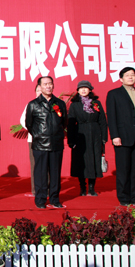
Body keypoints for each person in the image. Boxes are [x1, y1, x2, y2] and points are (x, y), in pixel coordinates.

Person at [106, 67, 135, 206]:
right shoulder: (114, 94)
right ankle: (124, 198)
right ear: (121, 79)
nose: (131, 77)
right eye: (127, 75)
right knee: (123, 168)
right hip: (122, 136)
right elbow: (112, 117)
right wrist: (115, 135)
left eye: (133, 75)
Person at [25, 76, 67, 209]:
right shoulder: (33, 104)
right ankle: (40, 199)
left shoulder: (60, 103)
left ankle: (55, 199)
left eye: (50, 83)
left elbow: (64, 122)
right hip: (40, 144)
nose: (48, 86)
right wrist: (38, 135)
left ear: (53, 85)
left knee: (55, 173)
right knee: (41, 173)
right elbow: (29, 124)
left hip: (56, 144)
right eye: (45, 84)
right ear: (40, 87)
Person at [68, 80, 107, 196]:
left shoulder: (96, 103)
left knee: (94, 159)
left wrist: (104, 137)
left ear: (90, 90)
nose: (83, 90)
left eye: (86, 88)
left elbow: (103, 121)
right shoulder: (74, 105)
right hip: (80, 135)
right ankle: (82, 187)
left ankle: (91, 187)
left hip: (95, 134)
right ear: (78, 91)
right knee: (81, 161)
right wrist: (71, 140)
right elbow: (71, 124)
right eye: (81, 88)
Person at [20, 84, 42, 196]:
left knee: (48, 165)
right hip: (34, 139)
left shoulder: (53, 104)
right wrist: (35, 130)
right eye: (37, 90)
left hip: (49, 140)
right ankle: (35, 189)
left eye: (41, 90)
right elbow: (23, 120)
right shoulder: (31, 104)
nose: (40, 92)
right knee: (35, 165)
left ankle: (48, 189)